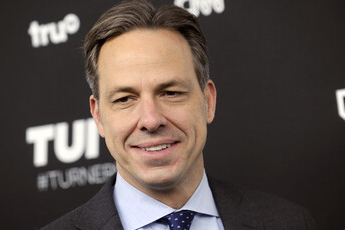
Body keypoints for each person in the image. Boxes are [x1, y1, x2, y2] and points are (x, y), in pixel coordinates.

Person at [41, 0, 316, 229]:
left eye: (170, 93)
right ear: (99, 116)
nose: (151, 120)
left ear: (207, 101)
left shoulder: (290, 222)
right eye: (125, 99)